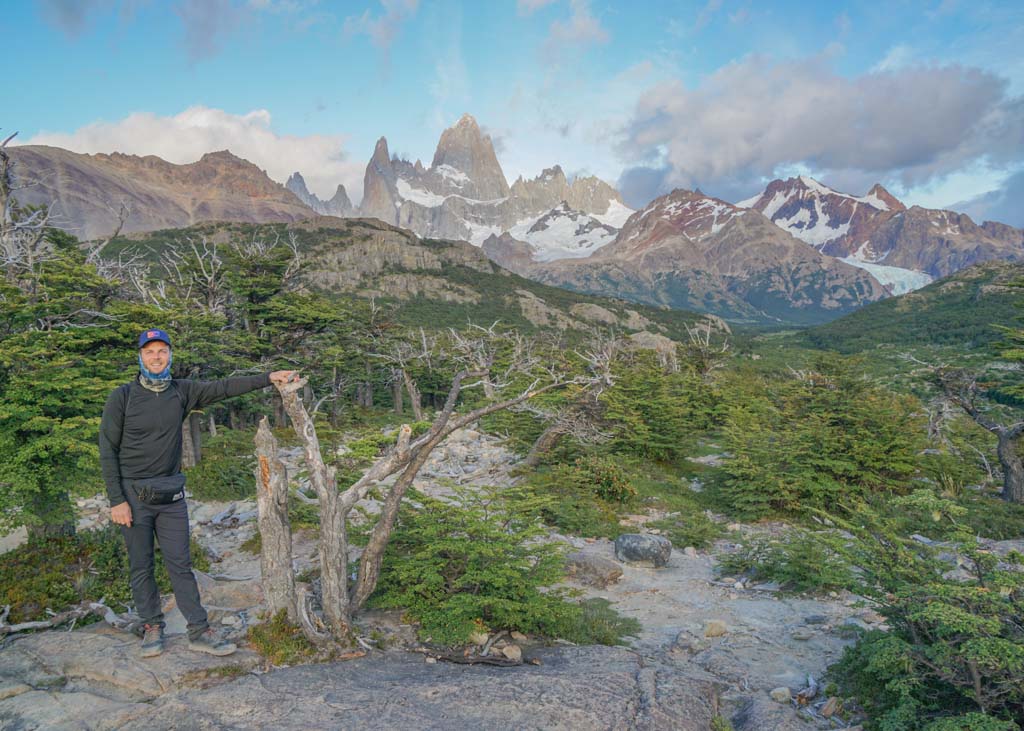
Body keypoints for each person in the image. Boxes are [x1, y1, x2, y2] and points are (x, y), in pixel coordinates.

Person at [98, 328, 298, 658]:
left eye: (162, 351)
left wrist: (268, 378)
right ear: (140, 357)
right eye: (150, 352)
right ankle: (151, 626)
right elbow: (107, 449)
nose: (157, 357)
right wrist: (116, 500)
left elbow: (223, 388)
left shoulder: (183, 392)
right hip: (132, 498)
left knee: (181, 564)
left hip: (170, 496)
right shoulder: (122, 397)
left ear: (170, 356)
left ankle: (198, 630)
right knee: (141, 565)